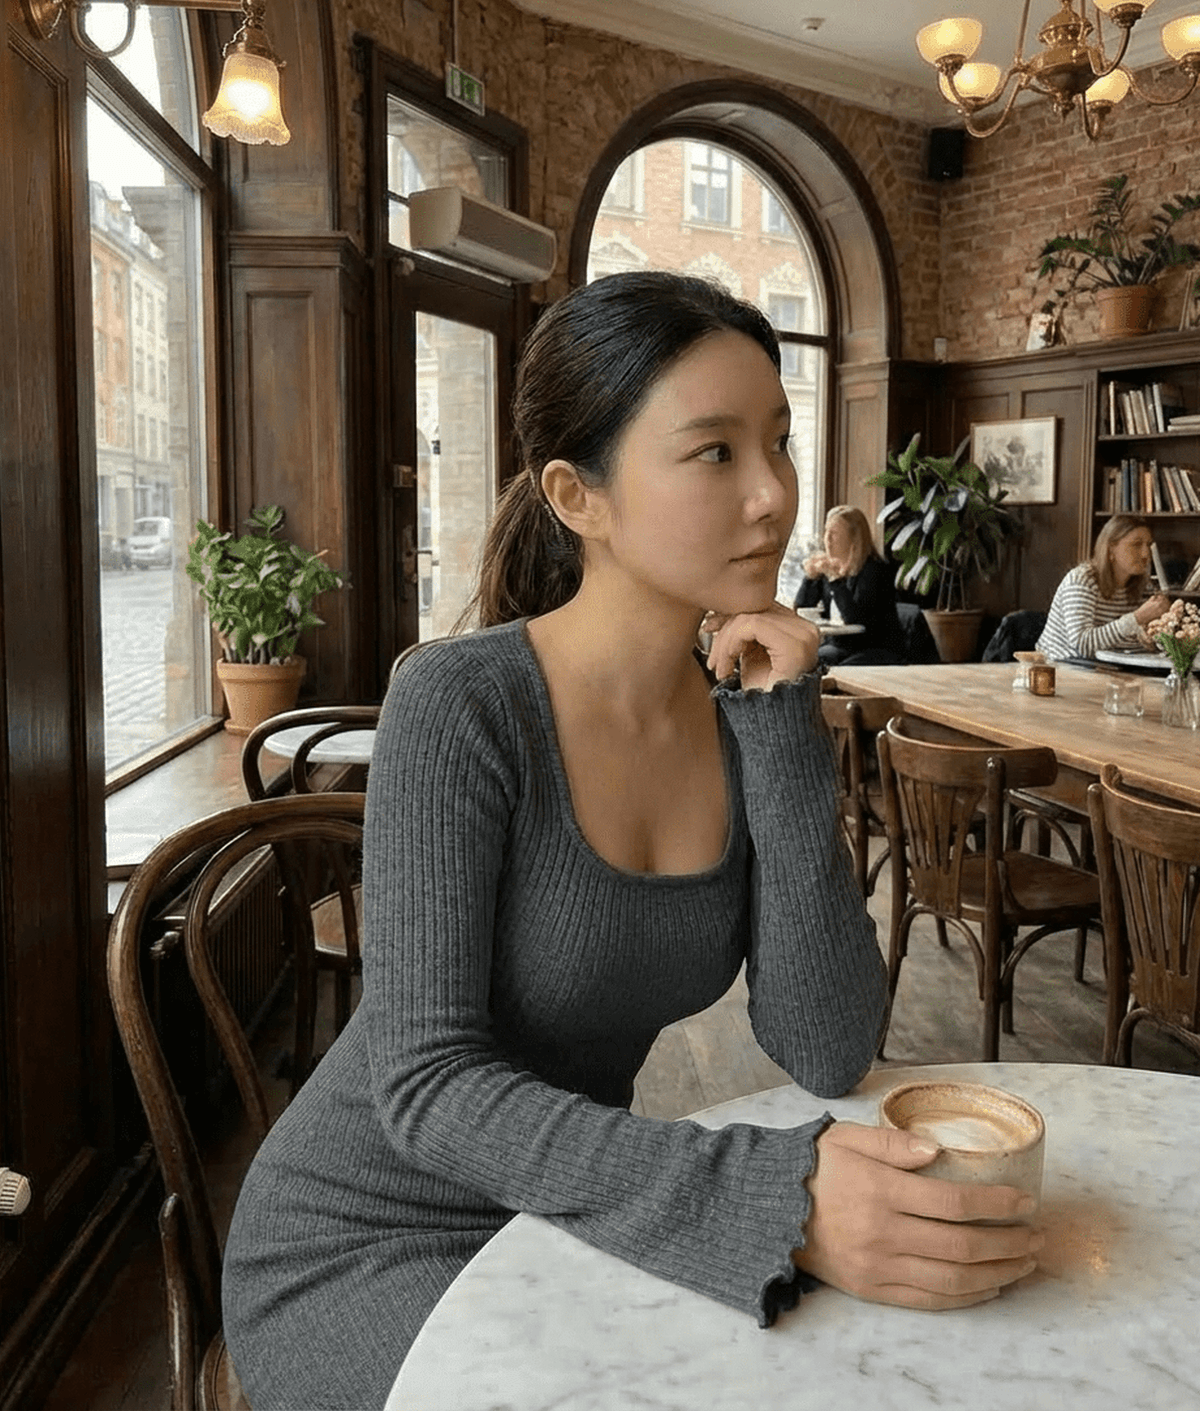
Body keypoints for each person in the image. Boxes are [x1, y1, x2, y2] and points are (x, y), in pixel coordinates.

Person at [222, 273, 1045, 1411]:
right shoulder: (462, 703)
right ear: (578, 495)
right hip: (365, 1234)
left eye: (780, 442)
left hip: (570, 1203)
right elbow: (423, 1087)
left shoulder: (742, 712)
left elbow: (825, 1043)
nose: (774, 496)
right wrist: (775, 1194)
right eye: (713, 452)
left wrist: (783, 730)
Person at [1036, 514, 1169, 661]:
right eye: (1136, 544)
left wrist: (1152, 639)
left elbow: (1131, 644)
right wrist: (1137, 618)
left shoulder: (1145, 586)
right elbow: (1082, 644)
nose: (1146, 554)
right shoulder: (1082, 580)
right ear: (1111, 548)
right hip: (1063, 667)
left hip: (1113, 669)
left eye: (1149, 545)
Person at [795, 504, 905, 665]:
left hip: (872, 648)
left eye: (834, 533)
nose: (827, 539)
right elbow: (801, 607)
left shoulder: (873, 570)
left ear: (853, 538)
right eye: (826, 531)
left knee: (826, 665)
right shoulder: (829, 568)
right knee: (800, 659)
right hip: (839, 645)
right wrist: (810, 577)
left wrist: (834, 579)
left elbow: (854, 618)